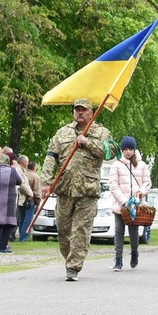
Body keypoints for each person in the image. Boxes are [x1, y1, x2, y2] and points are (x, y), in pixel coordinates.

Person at [42, 98, 113, 282]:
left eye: (84, 110)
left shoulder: (101, 132)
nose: (80, 113)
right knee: (64, 231)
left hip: (87, 191)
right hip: (65, 188)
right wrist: (46, 182)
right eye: (77, 110)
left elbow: (111, 152)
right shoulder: (63, 132)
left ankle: (73, 267)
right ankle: (70, 259)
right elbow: (51, 156)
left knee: (81, 230)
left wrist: (87, 142)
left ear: (91, 112)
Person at [109, 136, 151, 271]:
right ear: (122, 150)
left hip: (136, 205)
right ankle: (118, 259)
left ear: (134, 149)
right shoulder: (117, 165)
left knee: (134, 232)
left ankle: (134, 253)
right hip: (121, 205)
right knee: (119, 231)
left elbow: (147, 182)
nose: (128, 152)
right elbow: (113, 185)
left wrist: (142, 191)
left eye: (131, 149)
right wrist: (124, 201)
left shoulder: (142, 165)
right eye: (126, 149)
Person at [0, 154, 26, 254]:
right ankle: (3, 247)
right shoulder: (12, 171)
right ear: (8, 161)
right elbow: (20, 182)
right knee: (7, 224)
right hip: (9, 200)